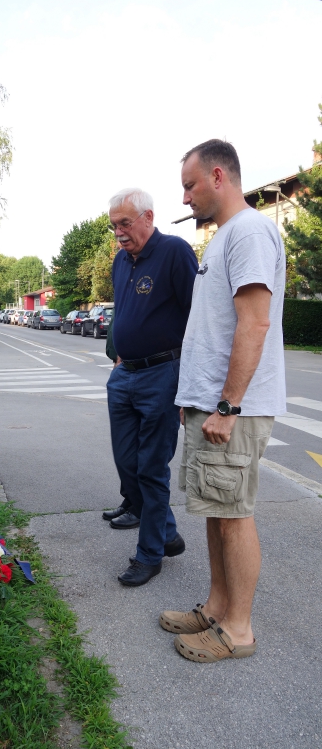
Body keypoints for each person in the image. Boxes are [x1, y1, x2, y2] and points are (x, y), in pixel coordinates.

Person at [160, 139, 286, 662]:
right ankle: (216, 608)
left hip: (232, 410)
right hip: (210, 405)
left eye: (190, 185)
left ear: (218, 176)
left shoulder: (250, 232)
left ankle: (238, 630)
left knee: (233, 513)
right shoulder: (225, 236)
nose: (185, 197)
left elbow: (254, 323)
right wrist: (194, 398)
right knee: (216, 508)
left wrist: (228, 406)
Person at [107, 188, 198, 586]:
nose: (119, 233)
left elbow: (199, 318)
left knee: (151, 468)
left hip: (163, 373)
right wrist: (118, 357)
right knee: (128, 464)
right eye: (114, 226)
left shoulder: (174, 251)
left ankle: (150, 554)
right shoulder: (120, 261)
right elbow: (123, 313)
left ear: (148, 217)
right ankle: (166, 532)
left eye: (125, 224)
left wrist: (189, 387)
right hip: (125, 374)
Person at [102, 312, 140, 529]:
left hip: (136, 367)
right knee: (124, 450)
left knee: (136, 451)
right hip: (123, 367)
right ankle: (131, 499)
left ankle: (140, 507)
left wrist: (121, 359)